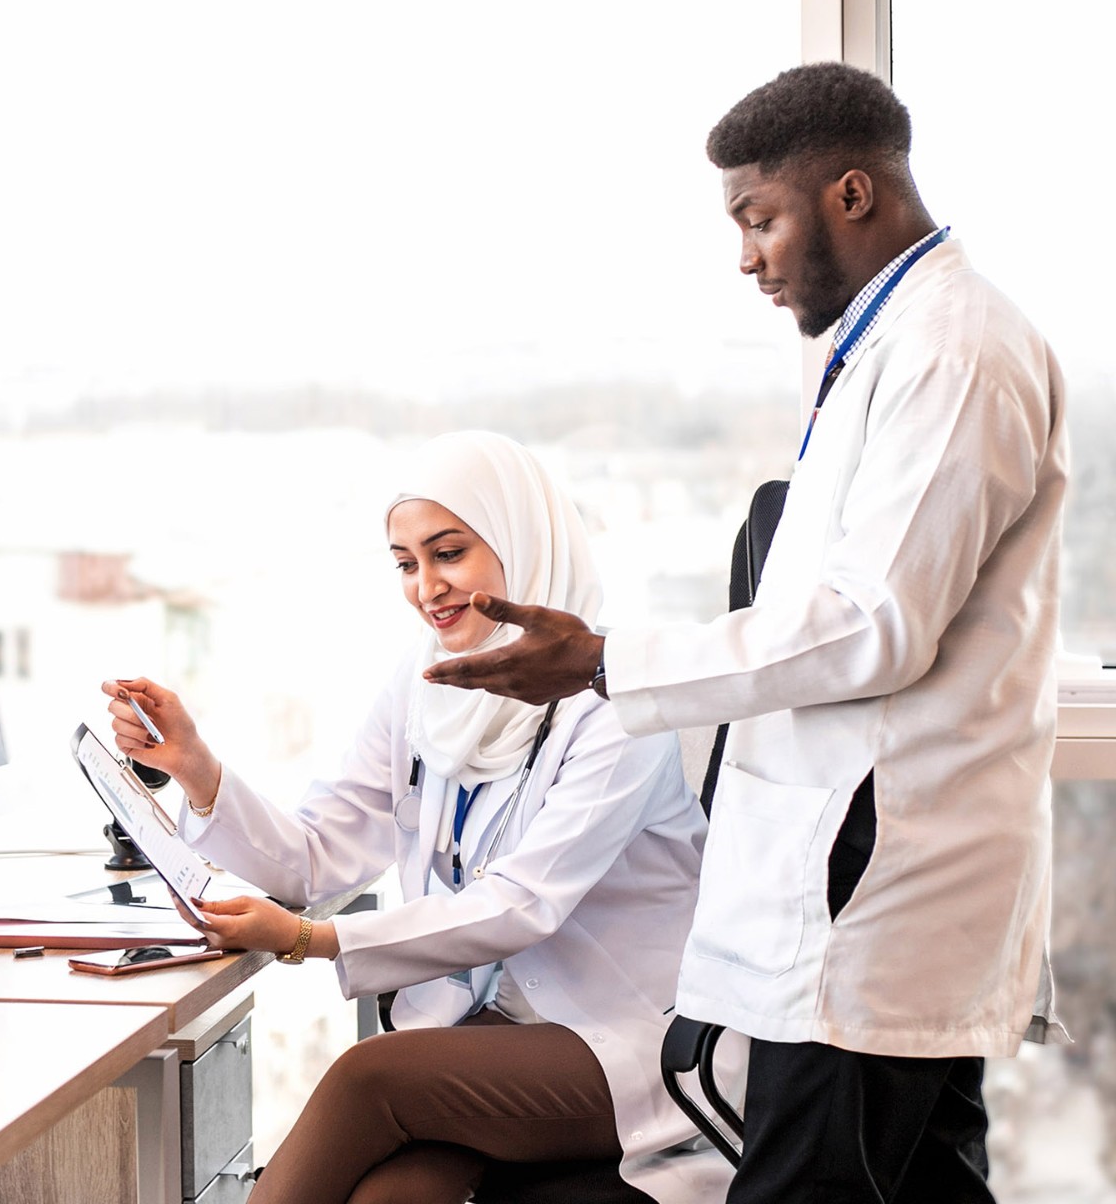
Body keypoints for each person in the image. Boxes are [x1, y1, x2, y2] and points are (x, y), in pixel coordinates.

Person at [422, 62, 1070, 1202]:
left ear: (851, 194)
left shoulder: (949, 352)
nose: (745, 256)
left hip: (877, 894)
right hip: (855, 892)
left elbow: (871, 626)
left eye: (758, 217)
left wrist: (607, 659)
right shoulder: (885, 346)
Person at [102, 430, 739, 1204]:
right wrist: (197, 770)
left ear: (518, 542)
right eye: (406, 564)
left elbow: (521, 904)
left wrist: (308, 939)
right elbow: (314, 855)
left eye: (449, 553)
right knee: (393, 1196)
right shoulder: (425, 681)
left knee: (371, 1076)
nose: (425, 586)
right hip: (498, 1024)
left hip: (632, 1039)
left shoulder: (614, 705)